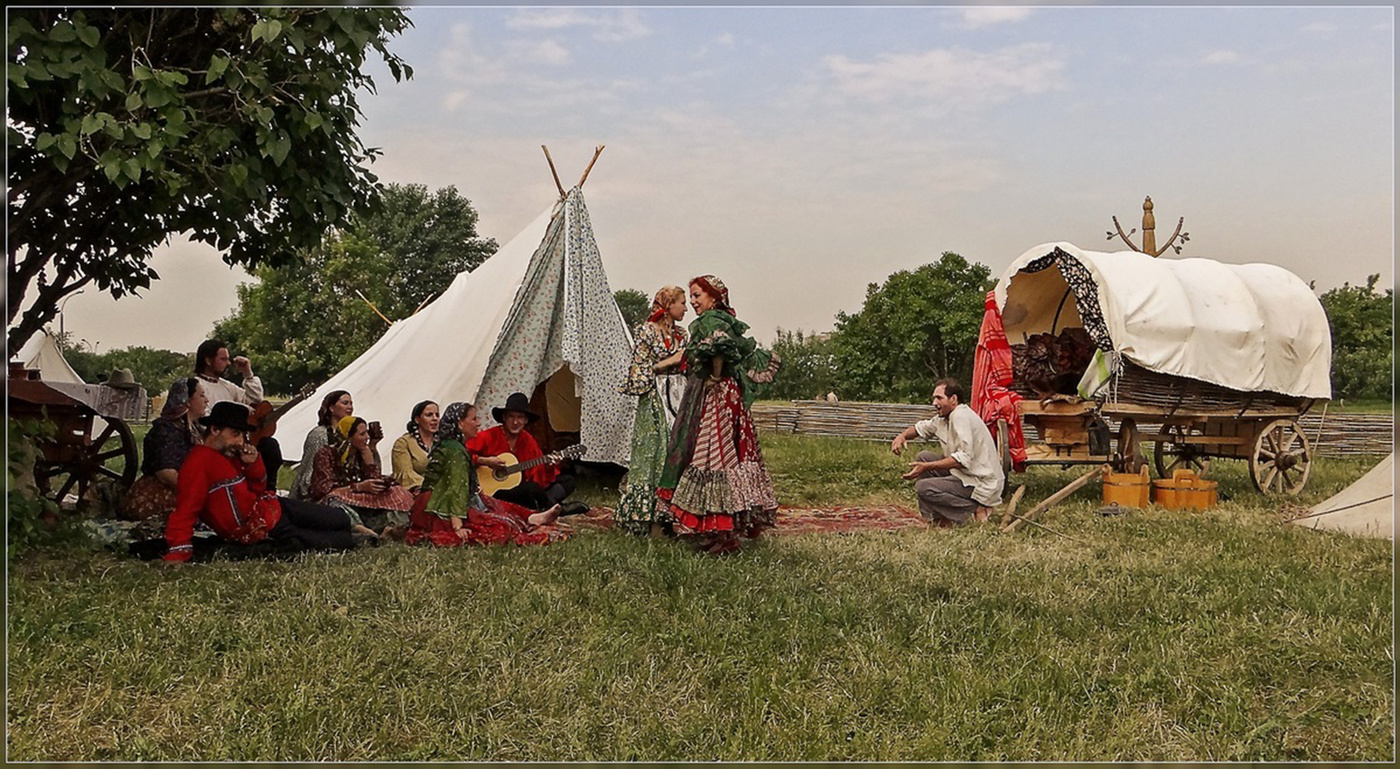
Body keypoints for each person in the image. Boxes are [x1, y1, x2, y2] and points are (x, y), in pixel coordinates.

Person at [656, 275, 781, 556]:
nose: (693, 302)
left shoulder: (711, 321)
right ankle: (723, 529)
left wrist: (713, 375)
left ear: (713, 297)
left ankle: (722, 531)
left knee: (713, 457)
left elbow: (718, 348)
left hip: (717, 397)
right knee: (732, 456)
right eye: (691, 298)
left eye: (698, 296)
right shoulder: (724, 319)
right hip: (731, 397)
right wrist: (658, 366)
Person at [162, 402, 375, 563]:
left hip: (273, 507)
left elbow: (257, 488)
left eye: (242, 435)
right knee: (335, 541)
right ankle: (361, 536)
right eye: (235, 434)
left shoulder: (228, 455)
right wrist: (179, 552)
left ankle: (358, 527)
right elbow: (185, 509)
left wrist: (253, 464)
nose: (239, 441)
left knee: (336, 518)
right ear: (215, 430)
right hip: (261, 529)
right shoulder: (198, 463)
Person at [406, 402, 570, 547]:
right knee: (499, 528)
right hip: (439, 506)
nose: (478, 423)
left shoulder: (455, 446)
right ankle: (532, 516)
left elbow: (536, 471)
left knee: (500, 505)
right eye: (474, 419)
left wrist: (549, 466)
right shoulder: (456, 451)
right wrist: (457, 526)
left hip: (449, 499)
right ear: (460, 424)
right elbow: (455, 489)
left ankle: (533, 518)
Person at [615, 285, 688, 536]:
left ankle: (672, 514)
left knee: (676, 447)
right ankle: (649, 517)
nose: (685, 308)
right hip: (654, 394)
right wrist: (669, 362)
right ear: (668, 305)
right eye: (681, 303)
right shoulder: (648, 331)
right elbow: (640, 367)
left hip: (679, 392)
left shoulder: (682, 334)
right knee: (654, 450)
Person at [889, 378, 1004, 527]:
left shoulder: (960, 416)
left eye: (939, 398)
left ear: (953, 399)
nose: (934, 403)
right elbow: (920, 429)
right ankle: (937, 518)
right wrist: (902, 436)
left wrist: (928, 467)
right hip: (966, 474)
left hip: (981, 481)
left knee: (923, 487)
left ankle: (975, 510)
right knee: (923, 457)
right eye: (934, 398)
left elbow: (963, 459)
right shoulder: (944, 418)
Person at [467, 392, 586, 515]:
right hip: (494, 493)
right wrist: (484, 461)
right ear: (504, 418)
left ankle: (541, 504)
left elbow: (539, 474)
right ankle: (556, 508)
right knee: (531, 489)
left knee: (567, 481)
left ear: (526, 420)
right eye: (511, 417)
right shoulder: (489, 436)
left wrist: (550, 465)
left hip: (520, 489)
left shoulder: (528, 440)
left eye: (520, 417)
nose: (515, 422)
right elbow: (463, 454)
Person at [121, 377, 209, 539]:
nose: (207, 400)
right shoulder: (165, 430)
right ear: (187, 401)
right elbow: (166, 473)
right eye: (202, 395)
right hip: (162, 490)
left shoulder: (195, 429)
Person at [194, 339, 283, 489]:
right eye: (223, 359)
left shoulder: (227, 386)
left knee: (270, 446)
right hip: (216, 442)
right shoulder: (197, 386)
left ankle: (269, 490)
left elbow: (254, 400)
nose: (228, 363)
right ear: (208, 360)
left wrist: (247, 373)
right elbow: (202, 418)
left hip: (238, 438)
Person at [308, 415, 415, 538]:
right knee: (333, 500)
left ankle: (391, 528)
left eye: (367, 433)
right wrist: (357, 487)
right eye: (362, 434)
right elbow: (323, 489)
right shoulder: (326, 454)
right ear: (349, 436)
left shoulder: (361, 453)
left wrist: (370, 459)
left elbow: (374, 479)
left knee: (398, 492)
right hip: (334, 501)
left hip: (359, 499)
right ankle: (362, 531)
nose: (367, 438)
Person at [289, 390, 354, 500]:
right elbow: (309, 473)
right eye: (345, 403)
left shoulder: (351, 434)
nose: (350, 407)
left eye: (351, 404)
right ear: (331, 408)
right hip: (318, 494)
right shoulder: (319, 435)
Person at [391, 400, 439, 493]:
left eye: (437, 415)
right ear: (417, 419)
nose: (435, 418)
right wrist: (431, 487)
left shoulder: (444, 442)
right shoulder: (403, 443)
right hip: (416, 493)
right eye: (429, 415)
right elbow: (405, 473)